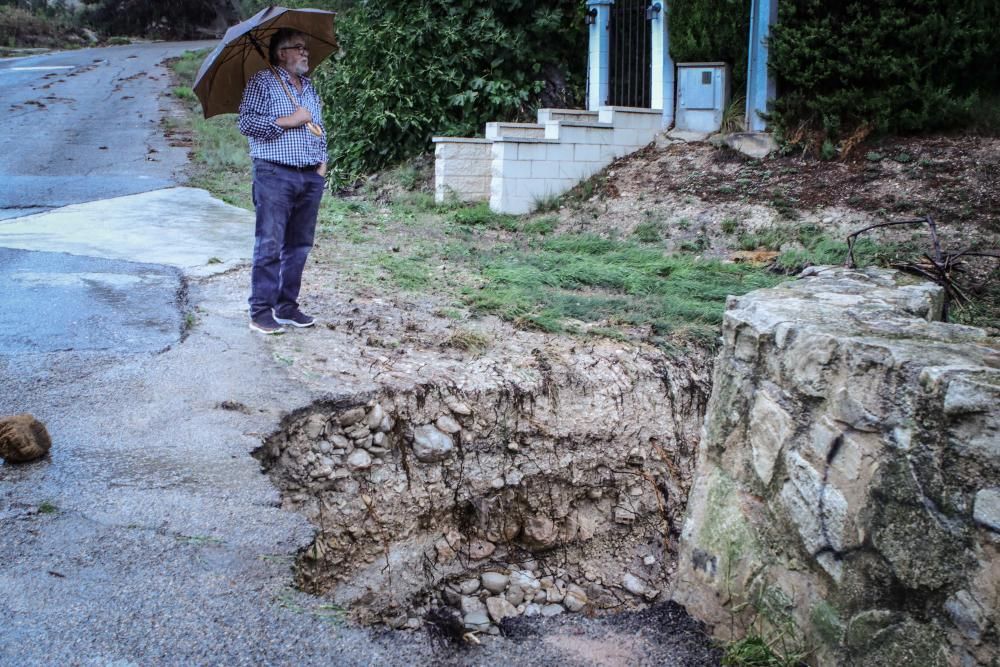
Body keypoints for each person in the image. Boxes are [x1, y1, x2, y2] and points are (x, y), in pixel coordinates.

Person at [238, 28, 327, 335]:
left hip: (309, 176)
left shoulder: (309, 87)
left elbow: (320, 129)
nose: (305, 53)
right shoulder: (262, 82)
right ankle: (260, 311)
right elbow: (246, 123)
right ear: (281, 53)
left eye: (305, 48)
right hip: (274, 174)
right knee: (270, 244)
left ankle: (286, 307)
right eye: (298, 48)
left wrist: (322, 167)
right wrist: (290, 120)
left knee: (299, 246)